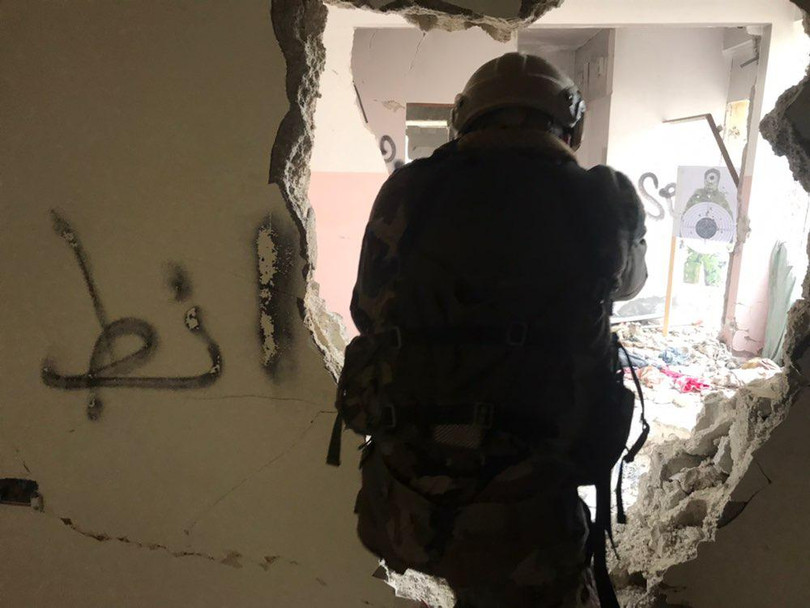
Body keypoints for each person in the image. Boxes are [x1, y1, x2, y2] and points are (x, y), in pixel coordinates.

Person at [329, 52, 648, 608]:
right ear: (570, 123)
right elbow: (628, 285)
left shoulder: (409, 189)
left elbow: (367, 308)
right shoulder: (604, 197)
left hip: (408, 492)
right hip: (529, 505)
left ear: (463, 117)